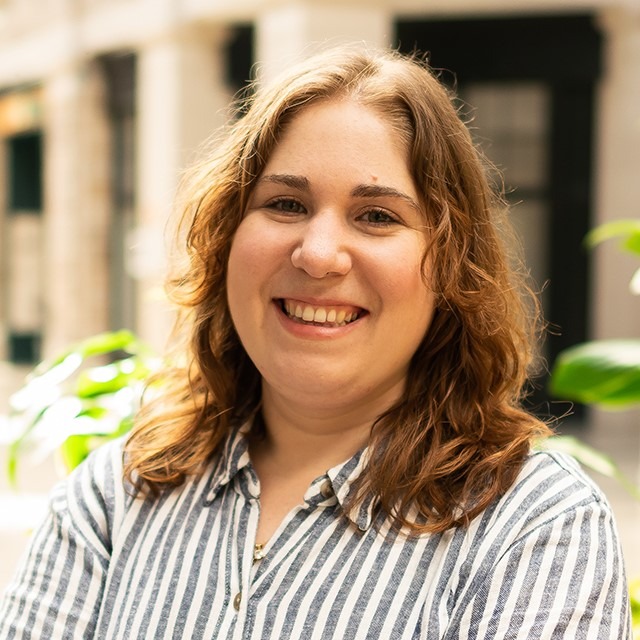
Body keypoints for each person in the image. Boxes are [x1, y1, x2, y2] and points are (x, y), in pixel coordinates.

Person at [0, 45, 631, 639]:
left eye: (377, 216)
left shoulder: (533, 527)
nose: (319, 254)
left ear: (451, 266)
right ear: (227, 238)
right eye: (285, 204)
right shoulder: (115, 495)